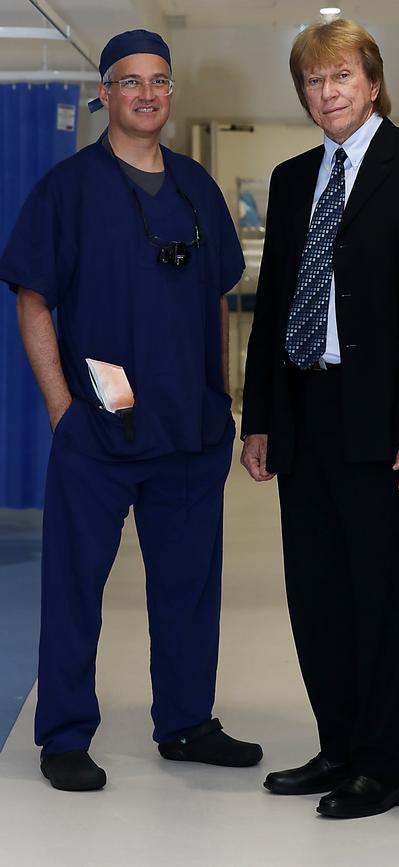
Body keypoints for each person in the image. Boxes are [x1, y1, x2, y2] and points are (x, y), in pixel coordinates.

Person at [0, 29, 262, 791]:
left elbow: (216, 298)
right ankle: (64, 733)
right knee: (75, 585)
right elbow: (33, 298)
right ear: (106, 94)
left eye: (159, 80)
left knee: (188, 586)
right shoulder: (69, 189)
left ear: (170, 93)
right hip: (100, 425)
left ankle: (186, 722)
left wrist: (219, 397)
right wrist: (61, 408)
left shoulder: (196, 189)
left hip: (189, 429)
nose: (147, 93)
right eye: (130, 81)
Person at [240, 19, 399, 819]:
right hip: (304, 408)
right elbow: (273, 303)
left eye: (341, 77)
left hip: (384, 416)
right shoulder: (291, 176)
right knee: (316, 593)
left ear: (372, 83)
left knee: (380, 593)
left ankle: (384, 761)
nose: (326, 93)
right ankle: (337, 745)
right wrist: (260, 416)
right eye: (313, 81)